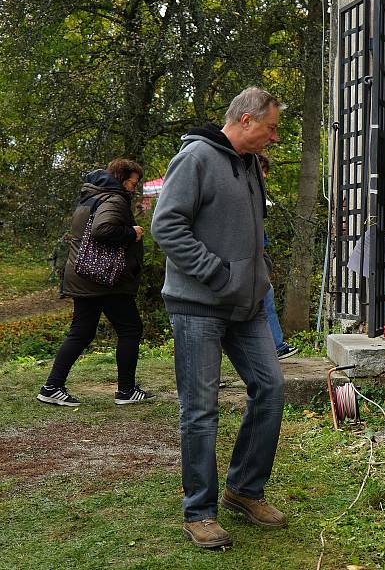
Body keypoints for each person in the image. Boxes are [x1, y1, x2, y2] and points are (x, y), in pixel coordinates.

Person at [151, 86, 286, 549]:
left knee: (271, 388)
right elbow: (166, 225)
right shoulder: (196, 159)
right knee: (201, 409)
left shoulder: (249, 165)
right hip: (198, 306)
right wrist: (217, 273)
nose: (274, 137)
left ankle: (244, 489)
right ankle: (199, 511)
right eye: (270, 128)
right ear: (246, 120)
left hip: (246, 307)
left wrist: (255, 279)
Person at [37, 158, 154, 407]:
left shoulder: (90, 197)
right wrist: (132, 232)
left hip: (83, 274)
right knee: (130, 328)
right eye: (133, 182)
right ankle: (126, 391)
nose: (134, 187)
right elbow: (102, 230)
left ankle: (52, 386)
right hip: (104, 277)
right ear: (122, 179)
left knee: (81, 332)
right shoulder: (113, 199)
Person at [255, 153, 297, 361]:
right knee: (266, 297)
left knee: (265, 299)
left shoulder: (254, 194)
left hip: (256, 259)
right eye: (262, 171)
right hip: (252, 261)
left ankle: (273, 345)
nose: (265, 176)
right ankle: (275, 345)